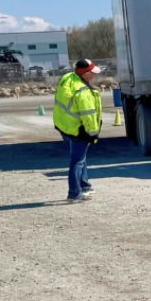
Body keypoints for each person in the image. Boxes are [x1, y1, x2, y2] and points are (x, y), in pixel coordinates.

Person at [53, 59, 104, 202]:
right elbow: (88, 117)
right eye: (92, 73)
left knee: (80, 157)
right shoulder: (83, 92)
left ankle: (85, 185)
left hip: (64, 125)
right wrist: (92, 136)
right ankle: (74, 194)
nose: (94, 76)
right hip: (77, 130)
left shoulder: (68, 79)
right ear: (86, 74)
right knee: (77, 160)